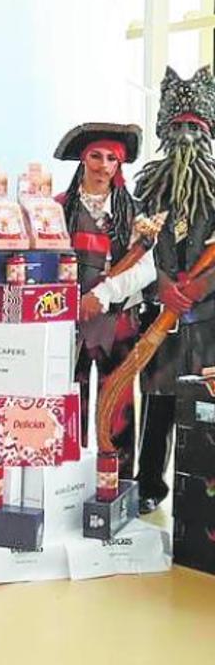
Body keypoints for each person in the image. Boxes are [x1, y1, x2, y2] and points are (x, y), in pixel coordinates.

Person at [132, 65, 215, 514]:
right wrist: (159, 285)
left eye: (194, 128)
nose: (185, 136)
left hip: (207, 322)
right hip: (160, 320)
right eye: (179, 127)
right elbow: (135, 248)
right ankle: (149, 485)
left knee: (205, 408)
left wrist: (202, 285)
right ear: (165, 130)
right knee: (158, 406)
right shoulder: (147, 191)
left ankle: (203, 493)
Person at [54, 123, 155, 474]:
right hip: (69, 324)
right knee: (70, 404)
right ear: (84, 160)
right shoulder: (58, 208)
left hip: (119, 322)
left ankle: (117, 482)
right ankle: (67, 482)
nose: (103, 165)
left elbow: (146, 269)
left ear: (119, 164)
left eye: (111, 158)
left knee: (118, 406)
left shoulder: (136, 214)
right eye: (96, 156)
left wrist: (103, 295)